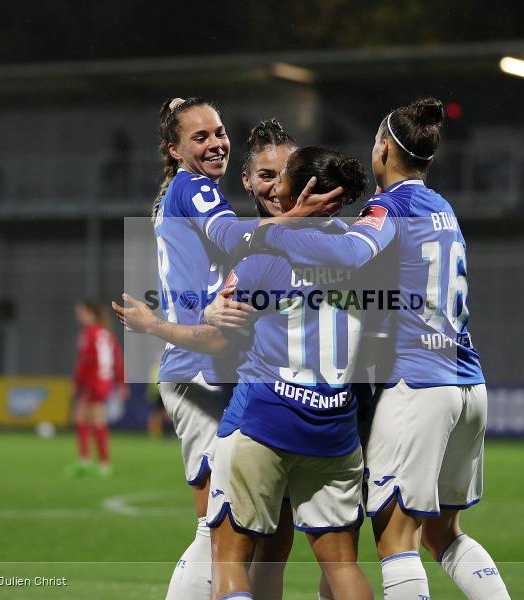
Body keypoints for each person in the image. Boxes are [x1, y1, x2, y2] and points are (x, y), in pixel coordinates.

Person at [250, 98, 511, 599]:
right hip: (468, 382)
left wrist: (282, 229)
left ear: (385, 149)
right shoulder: (442, 208)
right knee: (442, 534)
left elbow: (350, 252)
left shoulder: (390, 207)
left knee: (395, 541)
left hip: (419, 384)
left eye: (374, 141)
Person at [119, 145, 374, 600]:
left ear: (304, 191)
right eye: (266, 176)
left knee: (227, 553)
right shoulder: (360, 252)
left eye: (283, 176)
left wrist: (157, 324)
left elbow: (220, 339)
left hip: (266, 418)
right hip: (335, 426)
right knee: (336, 564)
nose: (274, 187)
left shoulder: (263, 257)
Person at [70, 300, 127, 478]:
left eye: (81, 312)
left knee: (88, 417)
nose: (78, 315)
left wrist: (76, 382)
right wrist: (120, 382)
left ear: (90, 313)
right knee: (89, 418)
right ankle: (92, 461)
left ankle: (98, 463)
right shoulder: (106, 333)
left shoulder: (89, 333)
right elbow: (117, 358)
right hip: (104, 380)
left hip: (93, 381)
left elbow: (85, 361)